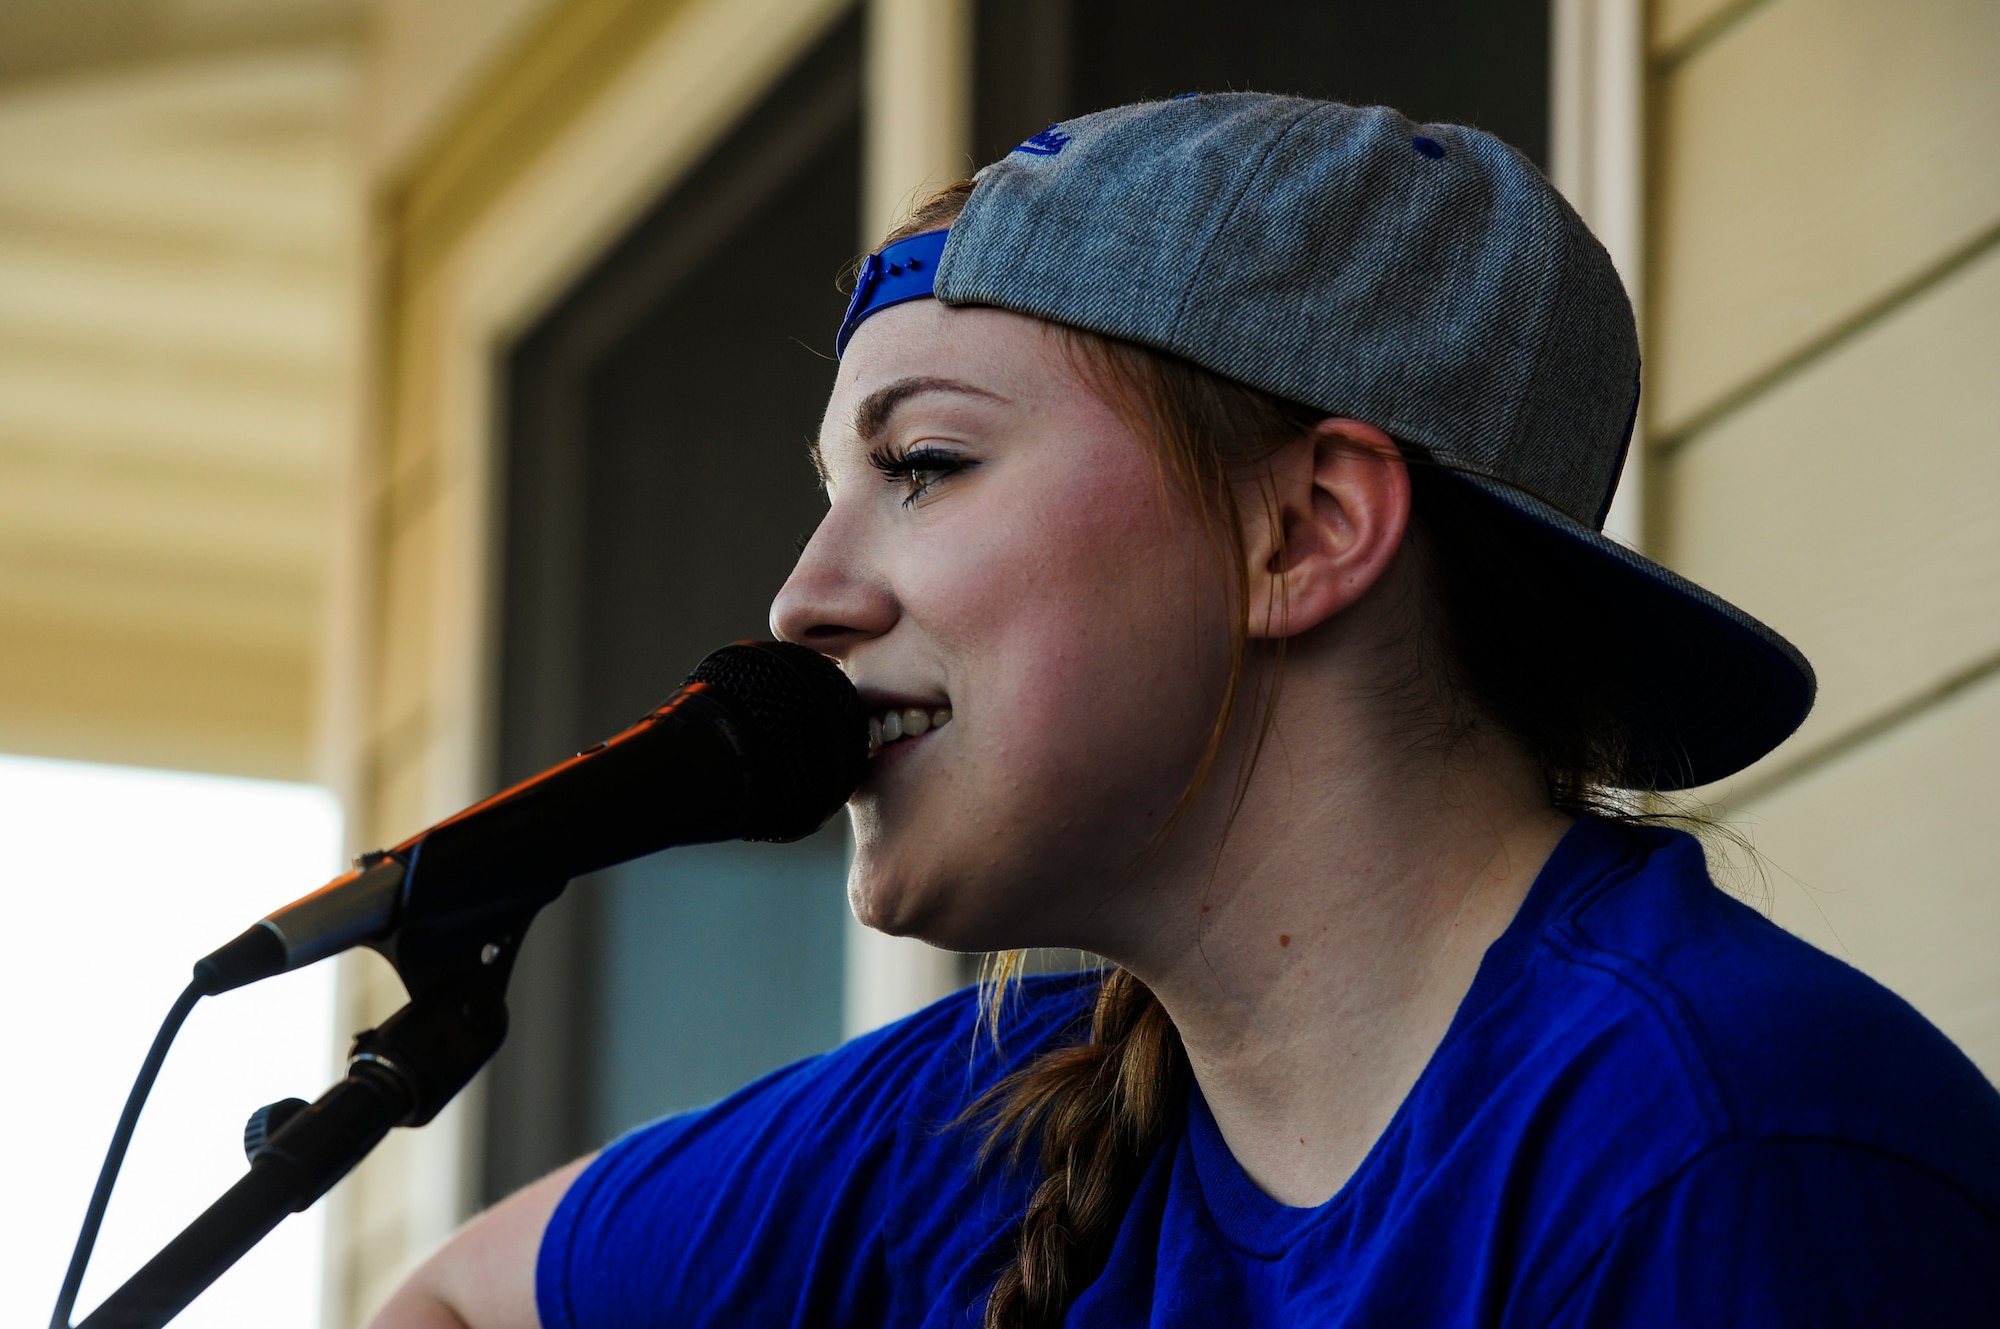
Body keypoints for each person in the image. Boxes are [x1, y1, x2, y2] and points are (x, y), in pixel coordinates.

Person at [372, 95, 2000, 1328]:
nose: (803, 601)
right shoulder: (972, 1133)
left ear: (1302, 532)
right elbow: (446, 1302)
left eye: (925, 465)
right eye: (833, 489)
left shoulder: (1722, 1157)